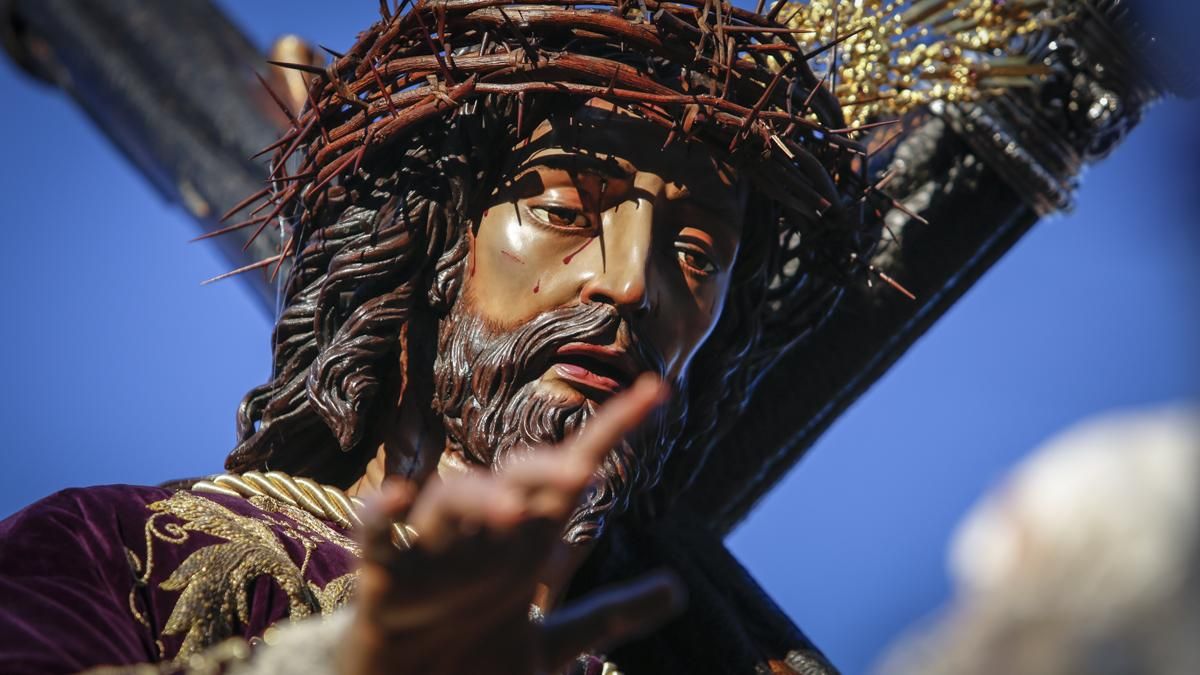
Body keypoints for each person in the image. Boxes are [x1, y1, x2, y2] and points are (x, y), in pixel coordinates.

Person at [0, 1, 1049, 673]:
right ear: (426, 247)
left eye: (696, 253)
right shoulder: (123, 552)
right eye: (562, 207)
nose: (629, 281)